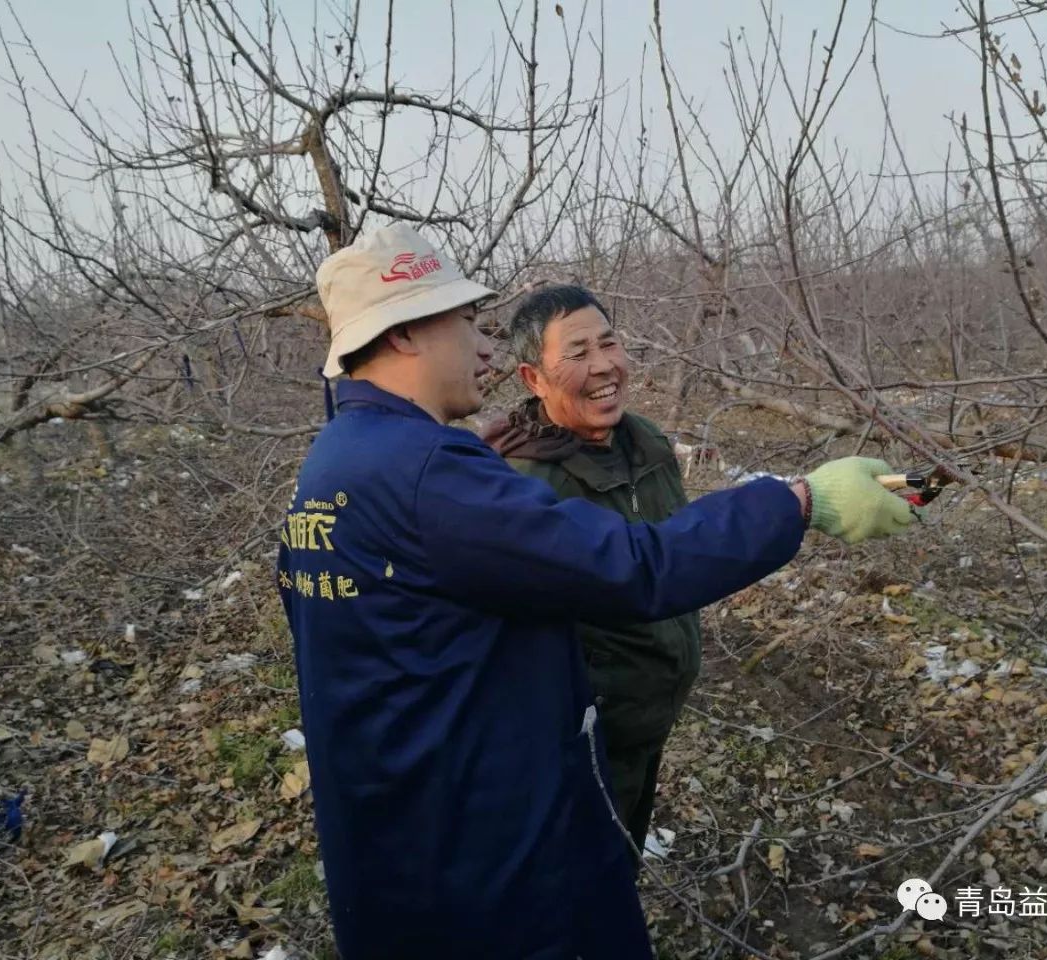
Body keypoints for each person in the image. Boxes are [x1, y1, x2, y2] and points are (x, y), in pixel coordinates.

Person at [276, 222, 913, 960]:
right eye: (466, 323)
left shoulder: (331, 466)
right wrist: (798, 501)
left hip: (399, 834)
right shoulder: (427, 473)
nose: (484, 347)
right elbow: (632, 565)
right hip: (484, 851)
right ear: (405, 334)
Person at [482, 283, 700, 863]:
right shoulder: (523, 485)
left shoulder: (645, 440)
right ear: (534, 379)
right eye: (577, 354)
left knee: (621, 855)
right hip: (580, 741)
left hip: (649, 718)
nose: (604, 365)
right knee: (582, 878)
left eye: (609, 343)